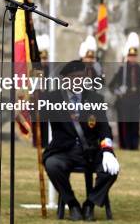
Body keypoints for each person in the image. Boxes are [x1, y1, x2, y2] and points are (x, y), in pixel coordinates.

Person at [43, 60, 119, 221]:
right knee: (52, 164)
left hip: (90, 151)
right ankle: (72, 205)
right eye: (74, 77)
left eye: (81, 77)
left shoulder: (95, 98)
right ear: (64, 79)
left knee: (111, 170)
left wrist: (107, 151)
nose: (78, 81)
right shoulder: (52, 98)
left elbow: (104, 128)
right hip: (64, 150)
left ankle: (90, 204)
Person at [109, 32, 140, 150]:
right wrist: (119, 91)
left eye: (134, 56)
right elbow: (111, 86)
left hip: (136, 100)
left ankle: (134, 146)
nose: (132, 58)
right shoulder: (122, 69)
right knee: (124, 125)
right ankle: (124, 145)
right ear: (127, 56)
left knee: (135, 124)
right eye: (130, 56)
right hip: (124, 100)